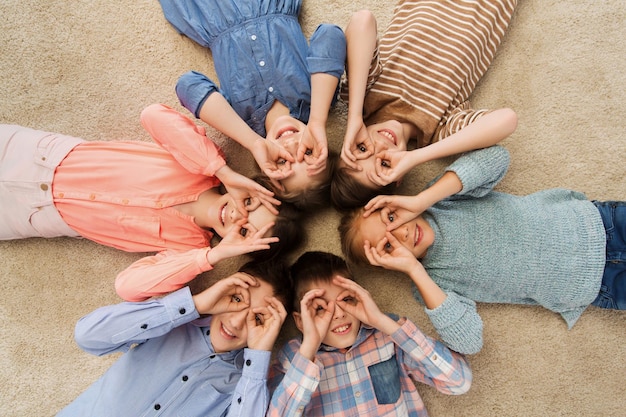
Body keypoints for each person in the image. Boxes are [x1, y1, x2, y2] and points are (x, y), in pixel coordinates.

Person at [339, 145, 626, 355]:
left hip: (596, 222)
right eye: (389, 245)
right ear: (388, 263)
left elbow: (498, 157)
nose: (401, 232)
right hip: (598, 286)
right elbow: (470, 342)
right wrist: (414, 270)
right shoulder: (432, 285)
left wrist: (422, 200)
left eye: (391, 218)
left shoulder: (441, 200)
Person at [0, 103, 304, 301]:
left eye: (246, 232)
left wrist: (212, 257)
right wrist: (222, 172)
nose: (238, 217)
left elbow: (128, 287)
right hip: (37, 156)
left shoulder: (189, 250)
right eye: (250, 205)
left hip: (28, 215)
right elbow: (152, 116)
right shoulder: (204, 163)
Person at [158, 0, 347, 209]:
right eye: (307, 153)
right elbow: (330, 35)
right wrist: (317, 121)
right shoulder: (318, 98)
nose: (292, 146)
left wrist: (253, 142)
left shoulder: (240, 123)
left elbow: (188, 85)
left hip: (213, 13)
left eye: (283, 161)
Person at [332, 0, 518, 209]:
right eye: (384, 162)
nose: (380, 146)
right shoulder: (438, 131)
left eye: (362, 147)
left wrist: (354, 117)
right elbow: (507, 119)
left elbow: (362, 20)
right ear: (399, 176)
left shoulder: (367, 94)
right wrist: (415, 157)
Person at [56, 259, 292, 416]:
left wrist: (259, 356)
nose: (236, 321)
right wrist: (196, 304)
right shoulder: (171, 323)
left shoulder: (247, 385)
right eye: (238, 300)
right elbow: (88, 336)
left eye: (258, 319)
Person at [267, 251, 472, 416]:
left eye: (346, 299)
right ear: (301, 321)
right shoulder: (292, 357)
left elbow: (459, 381)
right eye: (320, 308)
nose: (338, 314)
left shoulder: (386, 336)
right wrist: (310, 347)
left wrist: (382, 322)